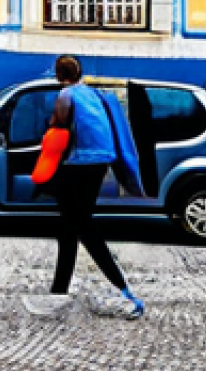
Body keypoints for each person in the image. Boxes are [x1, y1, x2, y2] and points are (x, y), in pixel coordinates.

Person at [23, 55, 143, 320]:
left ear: (58, 74)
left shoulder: (66, 95)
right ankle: (58, 293)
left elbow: (59, 126)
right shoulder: (93, 94)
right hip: (101, 163)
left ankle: (124, 291)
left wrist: (50, 123)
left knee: (82, 228)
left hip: (79, 163)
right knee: (69, 227)